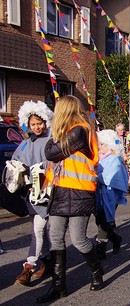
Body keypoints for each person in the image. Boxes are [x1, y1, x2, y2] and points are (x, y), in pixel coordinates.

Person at [36, 95, 103, 303]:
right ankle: (58, 287)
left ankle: (96, 271)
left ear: (65, 110)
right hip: (60, 192)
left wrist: (52, 136)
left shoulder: (80, 130)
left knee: (78, 239)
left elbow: (51, 152)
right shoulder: (66, 132)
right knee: (55, 237)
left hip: (79, 193)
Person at [13, 100, 54, 286]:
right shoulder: (24, 144)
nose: (37, 127)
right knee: (40, 231)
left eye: (39, 123)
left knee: (39, 230)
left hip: (49, 192)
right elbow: (15, 164)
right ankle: (47, 263)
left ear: (45, 122)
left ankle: (28, 267)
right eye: (33, 125)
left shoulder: (52, 140)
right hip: (31, 194)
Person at [94, 129, 128, 260]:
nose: (100, 146)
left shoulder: (114, 160)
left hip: (109, 197)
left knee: (103, 222)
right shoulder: (98, 157)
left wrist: (95, 176)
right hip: (97, 196)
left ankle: (100, 251)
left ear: (110, 145)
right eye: (100, 144)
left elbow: (112, 178)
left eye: (103, 144)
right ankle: (115, 238)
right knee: (100, 222)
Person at [116, 123, 130, 190]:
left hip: (127, 156)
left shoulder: (127, 135)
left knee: (128, 171)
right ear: (117, 130)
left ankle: (129, 186)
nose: (121, 131)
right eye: (120, 130)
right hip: (119, 156)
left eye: (122, 130)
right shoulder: (115, 136)